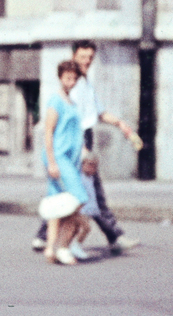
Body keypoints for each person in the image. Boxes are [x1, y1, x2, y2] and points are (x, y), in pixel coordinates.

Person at [30, 41, 138, 255]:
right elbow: (64, 122)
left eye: (90, 57)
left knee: (76, 191)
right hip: (76, 141)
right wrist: (82, 149)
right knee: (89, 191)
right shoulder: (73, 86)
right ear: (74, 56)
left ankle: (45, 237)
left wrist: (121, 124)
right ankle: (111, 236)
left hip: (83, 137)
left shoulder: (85, 83)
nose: (87, 61)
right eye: (82, 57)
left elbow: (98, 112)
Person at [39, 59, 97, 265]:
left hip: (71, 159)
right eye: (67, 78)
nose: (71, 82)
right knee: (80, 197)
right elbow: (48, 132)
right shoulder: (55, 101)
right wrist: (52, 162)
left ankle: (50, 249)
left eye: (74, 79)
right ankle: (63, 246)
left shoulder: (72, 103)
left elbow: (75, 133)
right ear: (60, 77)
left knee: (57, 202)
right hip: (59, 157)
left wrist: (84, 154)